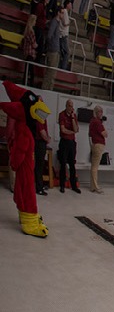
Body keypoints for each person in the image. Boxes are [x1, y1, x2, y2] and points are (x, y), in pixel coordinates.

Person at [1, 82, 51, 237]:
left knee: (25, 193)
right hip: (24, 169)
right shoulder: (23, 130)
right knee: (27, 195)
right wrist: (14, 164)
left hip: (27, 167)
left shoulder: (27, 127)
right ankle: (29, 222)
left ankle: (27, 216)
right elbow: (19, 152)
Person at [57, 100, 80, 193]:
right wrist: (72, 132)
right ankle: (62, 185)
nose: (71, 108)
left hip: (72, 142)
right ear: (66, 106)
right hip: (64, 141)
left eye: (72, 106)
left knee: (72, 164)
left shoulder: (73, 116)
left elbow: (76, 129)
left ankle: (74, 185)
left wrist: (73, 118)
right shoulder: (62, 115)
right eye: (69, 106)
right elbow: (63, 130)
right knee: (63, 163)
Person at [88, 106, 106, 193]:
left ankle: (93, 186)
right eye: (100, 112)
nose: (101, 113)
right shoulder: (97, 122)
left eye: (102, 111)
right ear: (96, 112)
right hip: (98, 144)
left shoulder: (92, 121)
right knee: (95, 167)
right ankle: (95, 186)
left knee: (94, 166)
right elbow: (105, 134)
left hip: (95, 144)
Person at [34, 110, 50, 196]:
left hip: (41, 142)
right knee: (39, 166)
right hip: (39, 142)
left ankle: (40, 186)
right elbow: (42, 132)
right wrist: (47, 139)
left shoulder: (42, 116)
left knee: (40, 165)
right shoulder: (39, 116)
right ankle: (39, 188)